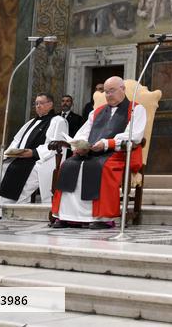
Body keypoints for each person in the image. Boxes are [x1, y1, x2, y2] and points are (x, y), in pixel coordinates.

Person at [50, 76, 147, 228]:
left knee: (100, 168)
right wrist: (79, 145)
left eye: (112, 91)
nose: (108, 95)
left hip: (116, 154)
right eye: (106, 92)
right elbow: (84, 132)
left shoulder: (136, 109)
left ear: (123, 89)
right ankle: (67, 215)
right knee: (68, 165)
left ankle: (102, 218)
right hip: (91, 153)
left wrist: (106, 143)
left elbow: (134, 136)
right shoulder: (96, 111)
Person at [0, 93, 68, 218]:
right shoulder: (32, 121)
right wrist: (8, 153)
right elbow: (17, 140)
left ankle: (4, 209)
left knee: (10, 170)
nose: (38, 106)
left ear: (50, 104)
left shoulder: (57, 121)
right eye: (36, 103)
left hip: (40, 159)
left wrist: (33, 152)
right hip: (21, 158)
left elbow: (54, 143)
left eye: (41, 103)